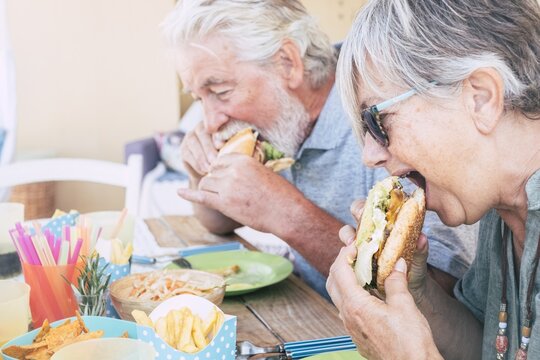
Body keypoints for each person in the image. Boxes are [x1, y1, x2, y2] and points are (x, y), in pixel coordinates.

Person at [160, 0, 476, 299]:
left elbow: (447, 292)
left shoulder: (384, 116)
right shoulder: (285, 122)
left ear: (287, 63)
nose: (210, 121)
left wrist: (284, 212)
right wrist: (200, 173)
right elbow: (219, 222)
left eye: (220, 91)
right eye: (200, 98)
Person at [326, 0, 540, 358]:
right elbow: (486, 348)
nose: (370, 155)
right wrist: (415, 294)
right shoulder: (499, 209)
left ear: (482, 99)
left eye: (377, 121)